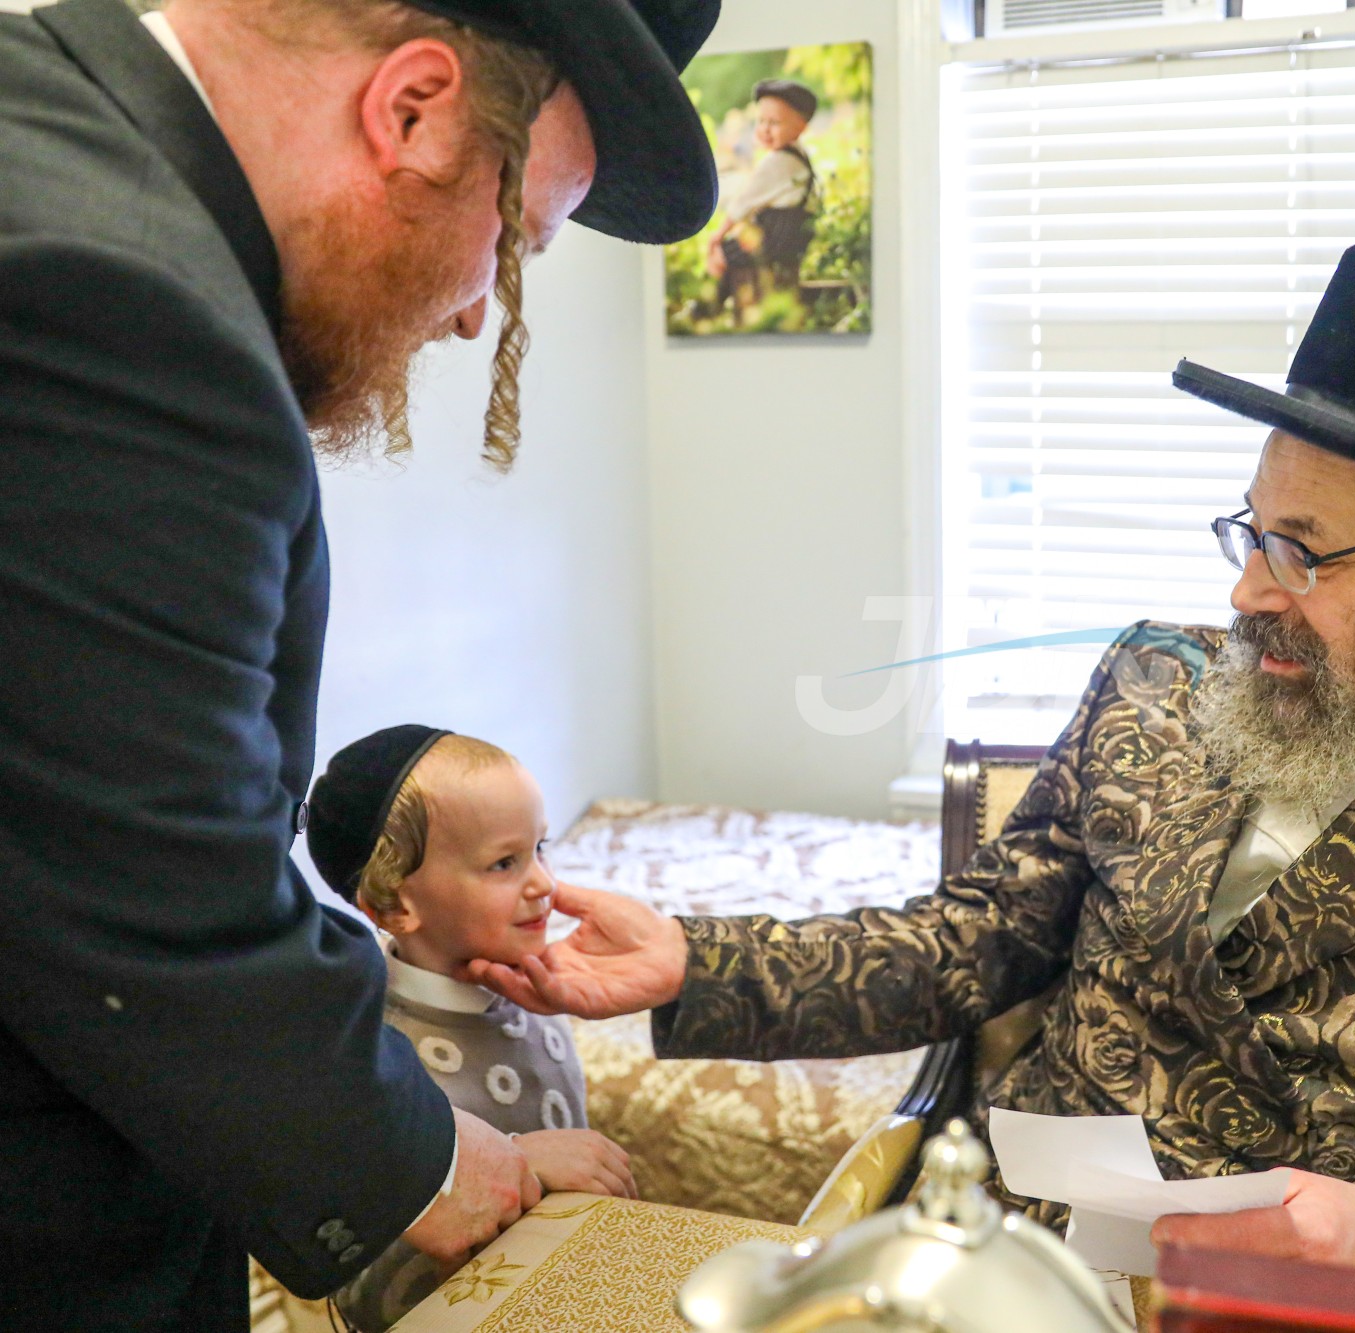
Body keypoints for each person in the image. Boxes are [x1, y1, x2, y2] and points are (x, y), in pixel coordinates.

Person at [469, 245, 1355, 1278]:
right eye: (1252, 529)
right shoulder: (1153, 678)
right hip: (1021, 1255)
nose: (1247, 591)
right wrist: (698, 957)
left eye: (1307, 551)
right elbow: (981, 936)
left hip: (1308, 1302)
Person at [0, 0, 715, 1326]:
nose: (469, 317)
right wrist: (432, 1160)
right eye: (512, 245)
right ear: (414, 110)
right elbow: (156, 892)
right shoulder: (122, 299)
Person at [302, 727, 637, 1331]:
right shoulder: (373, 1061)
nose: (543, 884)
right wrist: (518, 1164)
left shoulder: (532, 990)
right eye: (504, 863)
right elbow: (368, 1291)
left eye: (541, 848)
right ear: (394, 904)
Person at [706, 77, 819, 320]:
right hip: (792, 237)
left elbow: (742, 204)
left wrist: (717, 237)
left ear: (801, 128)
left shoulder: (778, 162)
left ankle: (709, 309)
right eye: (761, 121)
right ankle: (714, 305)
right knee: (735, 251)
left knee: (725, 252)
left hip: (777, 238)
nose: (765, 129)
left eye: (775, 123)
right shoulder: (797, 156)